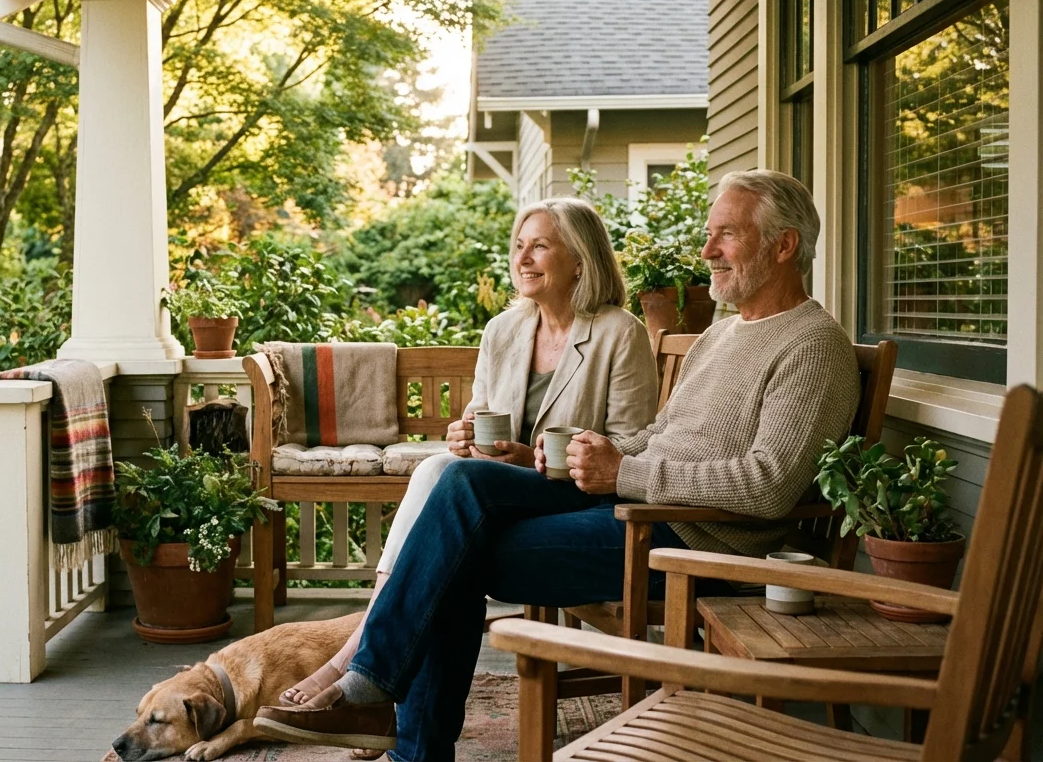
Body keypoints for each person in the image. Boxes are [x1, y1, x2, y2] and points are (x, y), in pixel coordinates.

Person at [256, 170, 861, 762]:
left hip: (689, 539)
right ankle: (380, 697)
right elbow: (663, 434)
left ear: (783, 246)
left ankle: (397, 725)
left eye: (726, 234)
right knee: (459, 479)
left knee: (452, 558)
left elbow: (770, 484)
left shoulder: (812, 345)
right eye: (710, 234)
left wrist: (626, 472)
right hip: (635, 510)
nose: (707, 250)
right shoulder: (720, 336)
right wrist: (607, 453)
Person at [280, 196, 659, 707]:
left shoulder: (619, 332)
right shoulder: (503, 330)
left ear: (580, 259)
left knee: (443, 482)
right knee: (440, 465)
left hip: (572, 498)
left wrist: (538, 458)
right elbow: (481, 412)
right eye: (519, 246)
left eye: (540, 247)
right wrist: (463, 434)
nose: (522, 259)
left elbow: (632, 442)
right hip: (497, 491)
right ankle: (367, 669)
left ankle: (357, 659)